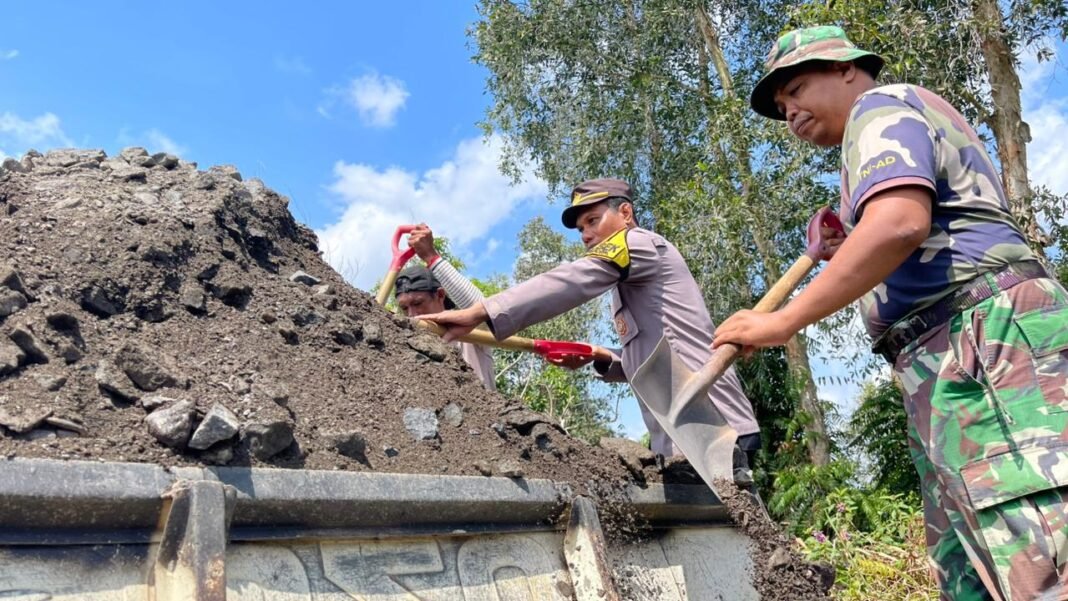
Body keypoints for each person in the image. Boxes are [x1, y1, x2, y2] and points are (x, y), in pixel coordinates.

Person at [716, 25, 1068, 600]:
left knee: (1037, 556)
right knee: (974, 571)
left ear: (847, 69)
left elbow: (900, 223)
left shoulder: (879, 107)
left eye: (798, 88)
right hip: (946, 361)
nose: (790, 111)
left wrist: (782, 322)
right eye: (782, 107)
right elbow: (902, 224)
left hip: (985, 346)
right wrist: (848, 234)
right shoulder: (881, 124)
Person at [420, 179, 761, 465]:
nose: (585, 234)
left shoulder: (638, 243)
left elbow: (570, 281)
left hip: (711, 423)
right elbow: (654, 358)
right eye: (581, 228)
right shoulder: (629, 285)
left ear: (625, 213)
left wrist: (479, 312)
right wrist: (600, 356)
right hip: (680, 435)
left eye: (593, 221)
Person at [394, 263, 496, 390]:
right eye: (404, 308)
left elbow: (488, 313)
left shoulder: (467, 328)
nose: (411, 315)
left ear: (440, 295)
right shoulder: (405, 340)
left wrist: (434, 260)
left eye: (418, 303)